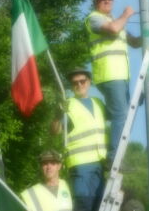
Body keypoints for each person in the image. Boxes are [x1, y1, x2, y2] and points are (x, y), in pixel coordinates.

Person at [85, 0, 149, 166]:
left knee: (123, 112)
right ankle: (113, 157)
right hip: (108, 74)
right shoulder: (94, 18)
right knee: (121, 114)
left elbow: (134, 42)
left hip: (120, 75)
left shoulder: (114, 21)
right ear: (96, 1)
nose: (106, 1)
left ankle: (98, 118)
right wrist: (126, 15)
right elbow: (113, 29)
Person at [51, 68, 107, 211]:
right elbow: (55, 131)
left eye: (82, 81)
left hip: (100, 163)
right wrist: (58, 115)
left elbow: (118, 113)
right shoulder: (68, 105)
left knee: (100, 205)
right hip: (81, 165)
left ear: (89, 82)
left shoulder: (98, 103)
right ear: (71, 85)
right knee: (83, 205)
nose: (79, 85)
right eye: (75, 83)